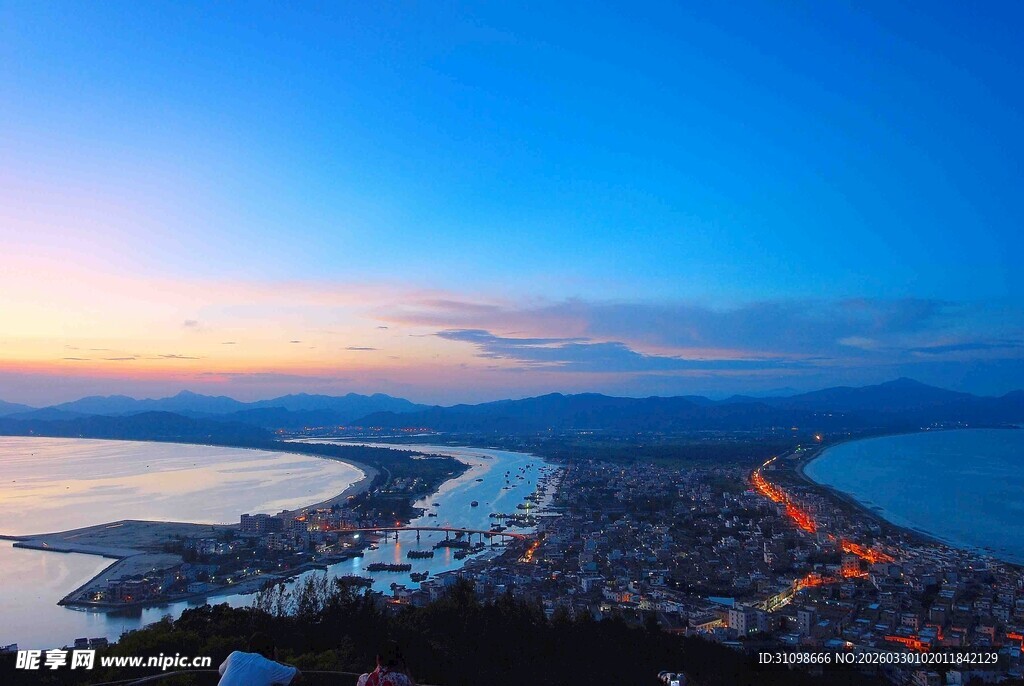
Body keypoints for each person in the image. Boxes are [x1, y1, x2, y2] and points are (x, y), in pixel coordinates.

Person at [217, 632, 301, 686]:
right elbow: (297, 673)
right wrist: (276, 660)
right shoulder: (270, 666)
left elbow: (221, 671)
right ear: (271, 651)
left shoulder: (234, 656)